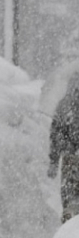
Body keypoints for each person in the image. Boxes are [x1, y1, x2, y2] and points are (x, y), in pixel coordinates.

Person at [48, 73, 79, 222]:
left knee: (70, 195)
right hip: (72, 156)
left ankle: (70, 224)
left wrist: (54, 161)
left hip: (70, 157)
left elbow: (56, 135)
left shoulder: (64, 105)